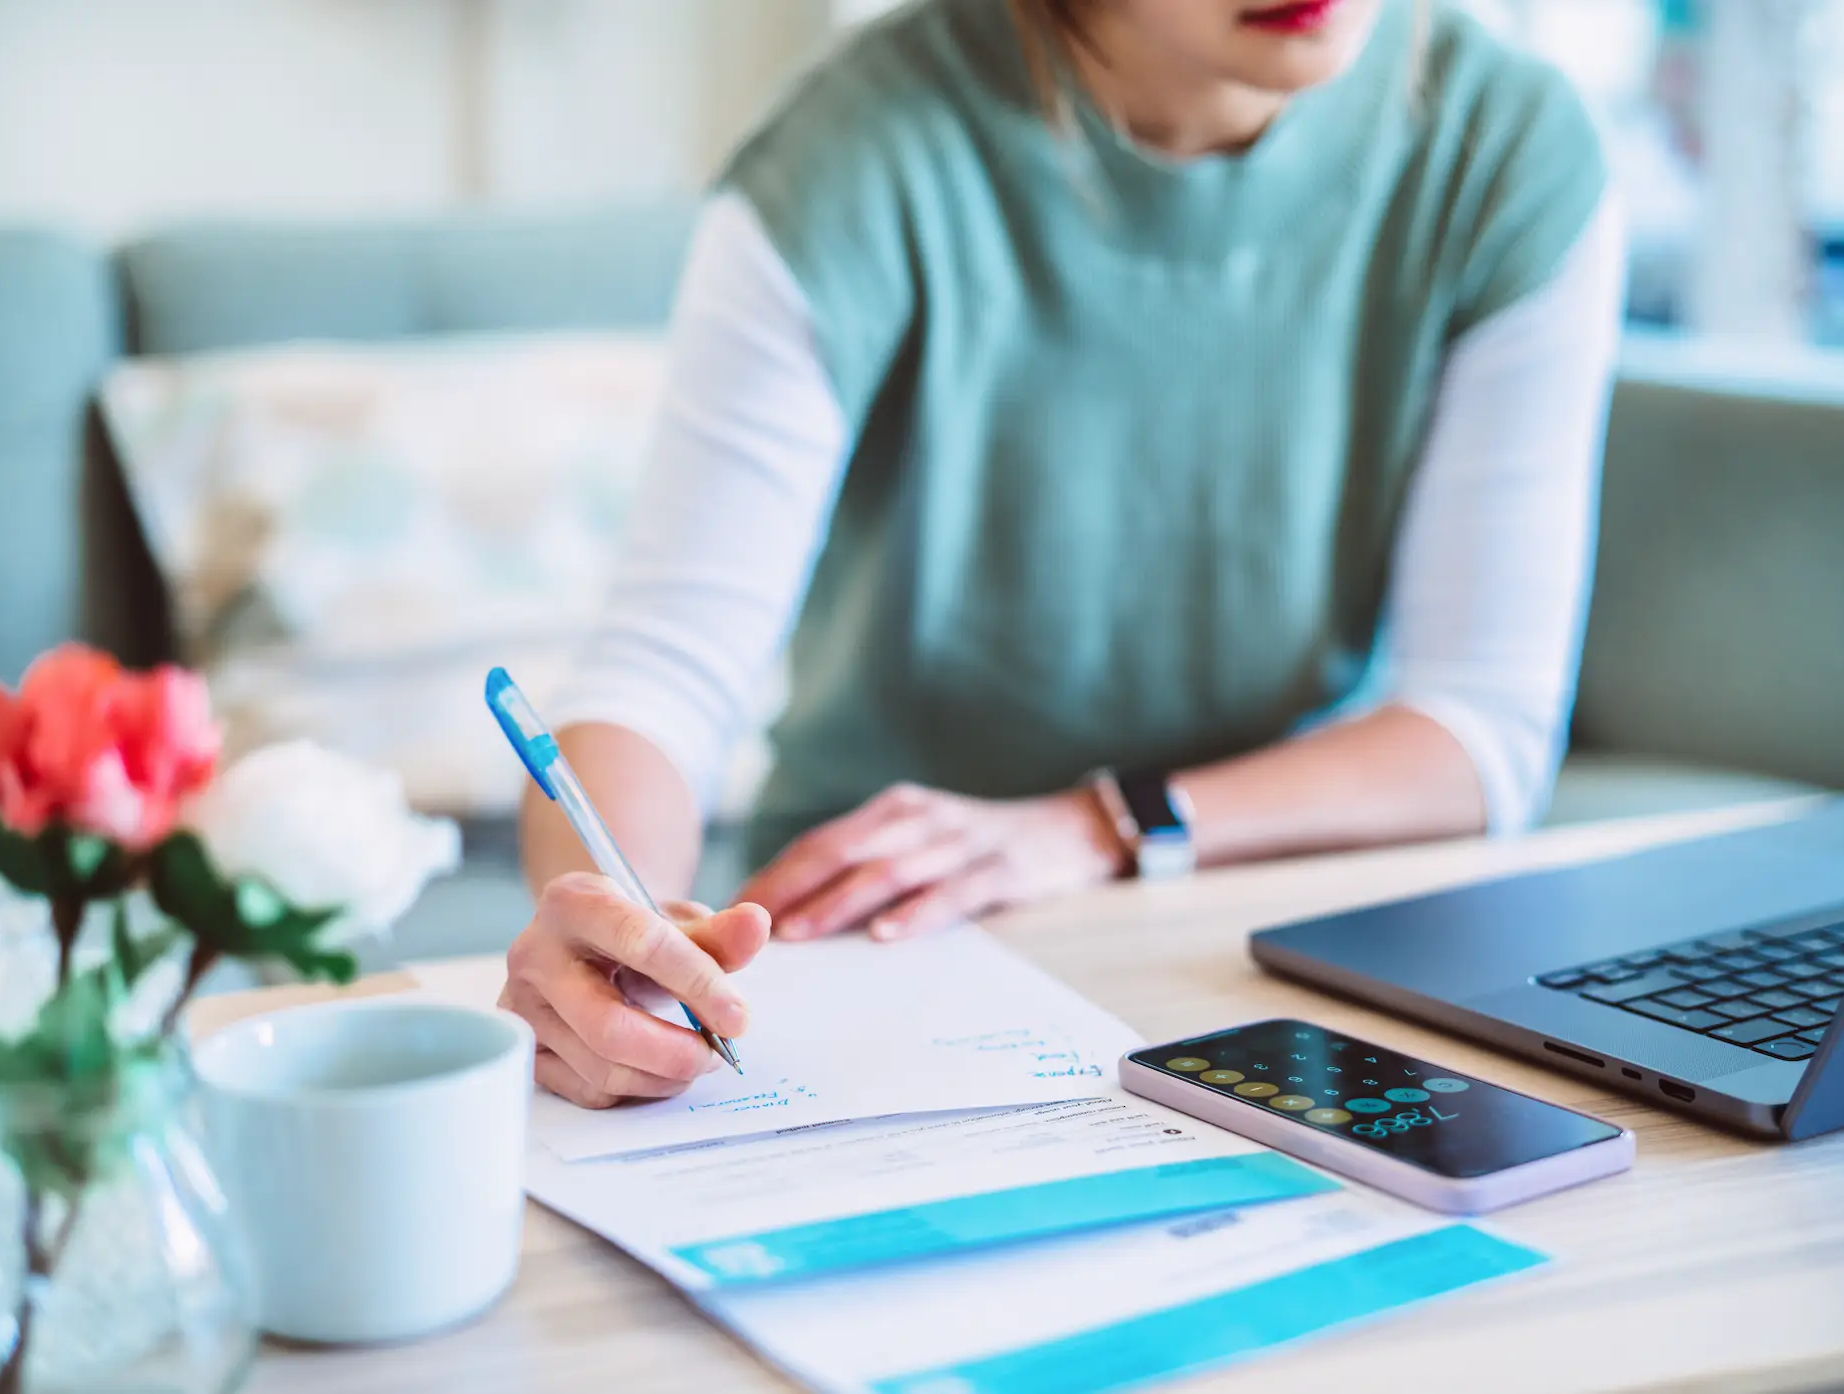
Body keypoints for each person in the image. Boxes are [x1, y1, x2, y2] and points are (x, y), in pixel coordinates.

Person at [501, 0, 1624, 1109]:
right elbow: (664, 663)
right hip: (883, 939)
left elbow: (1480, 728)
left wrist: (1095, 825)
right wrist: (606, 920)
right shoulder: (857, 147)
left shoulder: (1505, 146)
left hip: (1297, 926)